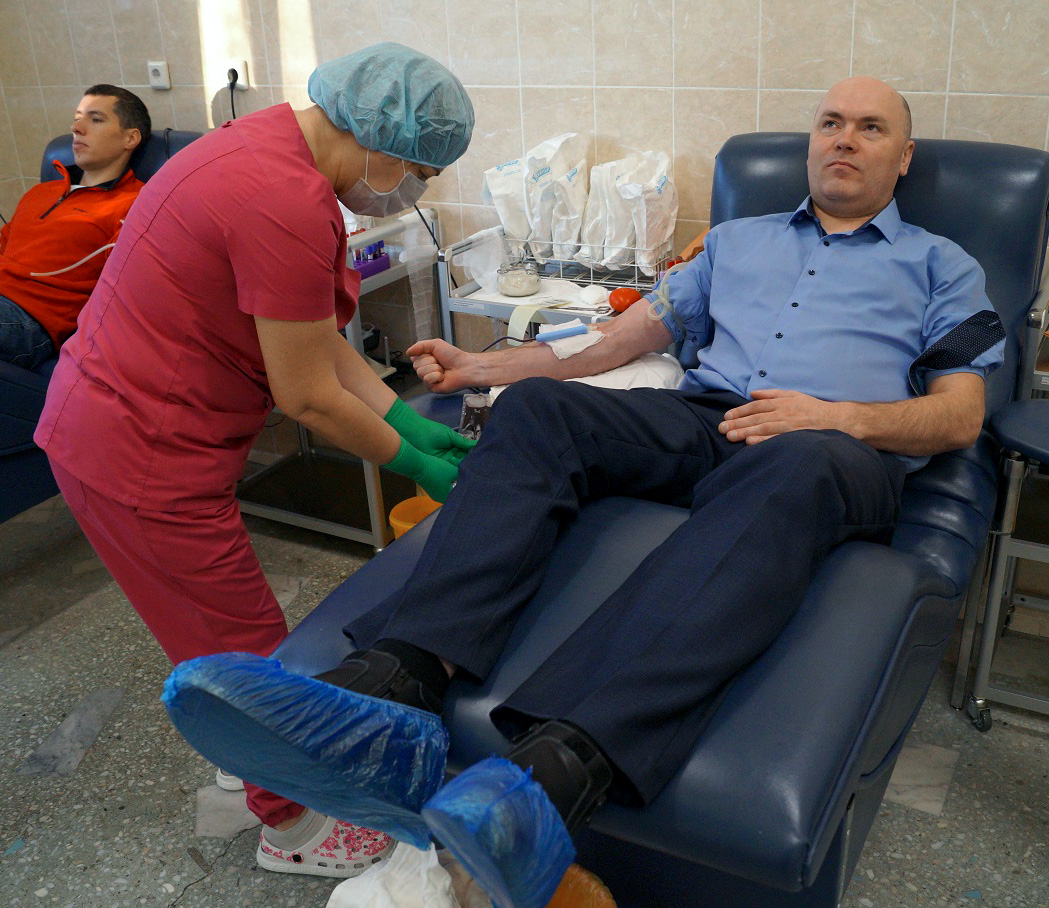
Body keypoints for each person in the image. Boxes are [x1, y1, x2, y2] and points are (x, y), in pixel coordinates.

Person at [162, 76, 1006, 908]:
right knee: (540, 409)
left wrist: (834, 417)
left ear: (902, 157)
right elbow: (613, 341)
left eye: (869, 127)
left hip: (832, 450)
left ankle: (558, 768)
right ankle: (398, 678)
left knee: (795, 464)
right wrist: (483, 366)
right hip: (707, 419)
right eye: (829, 123)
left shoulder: (941, 266)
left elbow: (960, 416)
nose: (844, 139)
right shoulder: (733, 242)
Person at [34, 44, 475, 881]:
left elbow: (312, 336)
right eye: (418, 172)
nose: (412, 190)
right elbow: (307, 395)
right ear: (380, 139)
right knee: (247, 650)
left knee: (213, 633)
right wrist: (416, 467)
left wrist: (406, 424)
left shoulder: (266, 145)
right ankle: (292, 824)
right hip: (137, 451)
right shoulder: (283, 200)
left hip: (125, 423)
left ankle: (250, 759)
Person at [0, 85, 149, 370]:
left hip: (29, 321)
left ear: (130, 138)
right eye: (77, 118)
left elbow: (124, 290)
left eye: (95, 119)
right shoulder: (39, 193)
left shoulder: (135, 204)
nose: (76, 128)